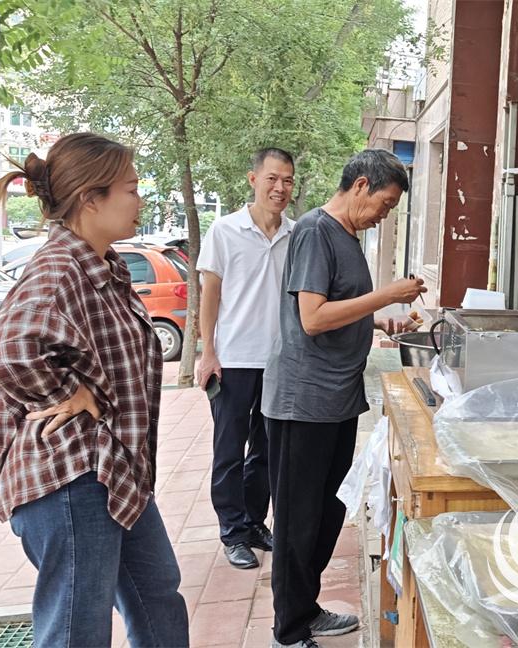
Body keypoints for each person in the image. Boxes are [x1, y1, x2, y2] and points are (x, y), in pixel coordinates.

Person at [0, 133, 188, 647]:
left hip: (112, 470)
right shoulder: (60, 267)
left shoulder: (103, 264)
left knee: (157, 596)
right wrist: (65, 394)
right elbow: (5, 350)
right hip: (71, 477)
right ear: (91, 199)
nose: (141, 200)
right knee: (78, 631)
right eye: (131, 189)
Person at [261, 149, 425, 648]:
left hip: (336, 398)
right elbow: (312, 318)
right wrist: (386, 296)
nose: (385, 214)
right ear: (360, 186)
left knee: (327, 513)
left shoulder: (347, 236)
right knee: (298, 520)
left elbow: (340, 307)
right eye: (385, 203)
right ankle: (288, 631)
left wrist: (381, 320)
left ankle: (306, 608)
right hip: (303, 400)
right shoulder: (315, 230)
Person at [195, 148, 295, 569]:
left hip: (278, 361)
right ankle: (232, 532)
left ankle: (254, 523)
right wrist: (208, 352)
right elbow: (210, 294)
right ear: (253, 179)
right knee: (229, 451)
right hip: (233, 358)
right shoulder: (225, 230)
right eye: (272, 178)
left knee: (267, 451)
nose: (280, 188)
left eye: (287, 180)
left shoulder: (295, 234)